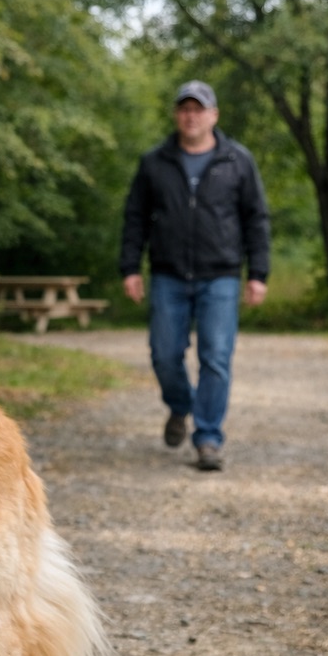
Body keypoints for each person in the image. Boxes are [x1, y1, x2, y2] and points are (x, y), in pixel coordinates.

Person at [119, 80, 270, 472]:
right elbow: (135, 217)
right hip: (168, 274)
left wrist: (258, 273)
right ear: (177, 115)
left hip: (220, 275)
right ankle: (181, 405)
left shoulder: (238, 160)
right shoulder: (155, 162)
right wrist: (131, 268)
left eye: (198, 109)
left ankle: (207, 439)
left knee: (216, 358)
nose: (191, 115)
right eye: (185, 108)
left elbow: (256, 219)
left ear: (213, 115)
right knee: (164, 354)